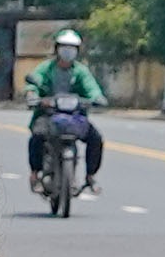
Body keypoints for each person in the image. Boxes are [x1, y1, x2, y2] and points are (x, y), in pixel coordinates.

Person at [28, 28, 108, 189]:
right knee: (37, 137)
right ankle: (35, 174)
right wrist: (33, 95)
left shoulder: (80, 71)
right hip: (48, 115)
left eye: (72, 48)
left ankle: (90, 176)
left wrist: (97, 98)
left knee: (96, 139)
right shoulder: (46, 68)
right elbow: (34, 82)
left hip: (74, 117)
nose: (67, 51)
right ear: (56, 49)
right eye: (64, 47)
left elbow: (91, 88)